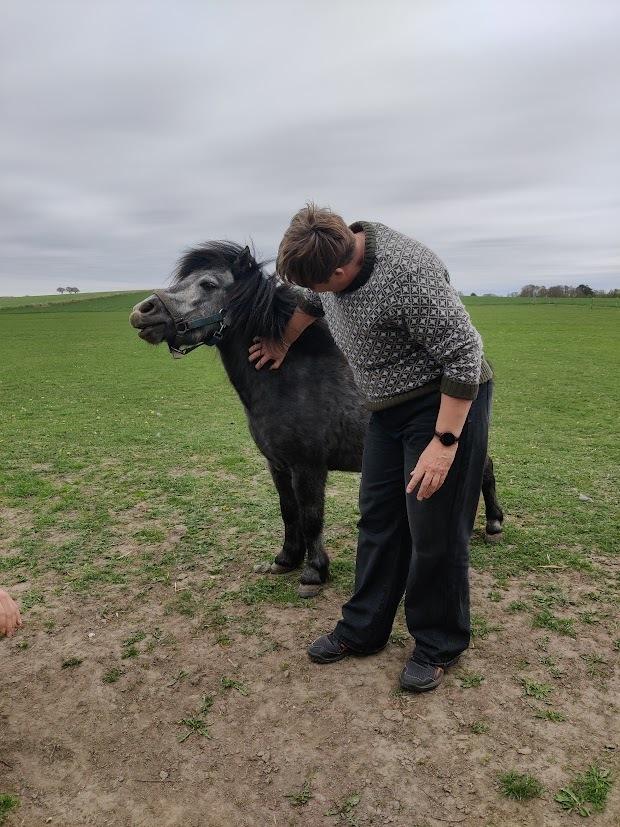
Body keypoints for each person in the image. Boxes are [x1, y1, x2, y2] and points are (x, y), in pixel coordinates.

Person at [249, 205, 493, 692]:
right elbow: (310, 302)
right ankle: (363, 628)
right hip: (385, 407)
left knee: (434, 528)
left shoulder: (408, 275)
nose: (316, 294)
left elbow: (466, 353)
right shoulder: (329, 259)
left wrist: (445, 443)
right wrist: (283, 343)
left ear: (342, 269)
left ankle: (438, 643)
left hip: (443, 400)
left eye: (321, 284)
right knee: (379, 518)